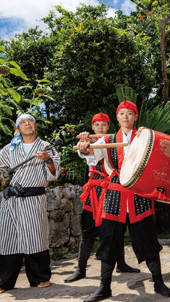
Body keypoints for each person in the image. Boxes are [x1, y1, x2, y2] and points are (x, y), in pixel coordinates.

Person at [79, 101, 170, 301]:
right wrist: (85, 147)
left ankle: (158, 283)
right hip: (115, 196)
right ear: (117, 117)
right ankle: (105, 288)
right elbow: (91, 152)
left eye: (129, 113)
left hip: (140, 194)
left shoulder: (145, 136)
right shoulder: (108, 139)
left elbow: (161, 155)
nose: (125, 117)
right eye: (121, 113)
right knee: (108, 241)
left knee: (148, 239)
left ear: (135, 116)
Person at [0, 114, 60, 296]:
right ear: (18, 128)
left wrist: (48, 159)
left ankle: (40, 277)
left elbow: (54, 173)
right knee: (8, 240)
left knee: (35, 237)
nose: (27, 124)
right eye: (22, 122)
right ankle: (2, 282)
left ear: (36, 126)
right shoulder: (10, 148)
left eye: (30, 121)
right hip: (11, 200)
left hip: (34, 199)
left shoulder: (46, 147)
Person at [65, 113, 139, 283]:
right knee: (88, 231)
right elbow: (86, 154)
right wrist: (85, 142)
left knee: (116, 229)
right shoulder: (92, 143)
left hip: (113, 191)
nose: (100, 128)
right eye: (96, 125)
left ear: (109, 127)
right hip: (95, 192)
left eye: (104, 125)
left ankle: (121, 263)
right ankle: (81, 268)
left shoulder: (114, 142)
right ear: (92, 128)